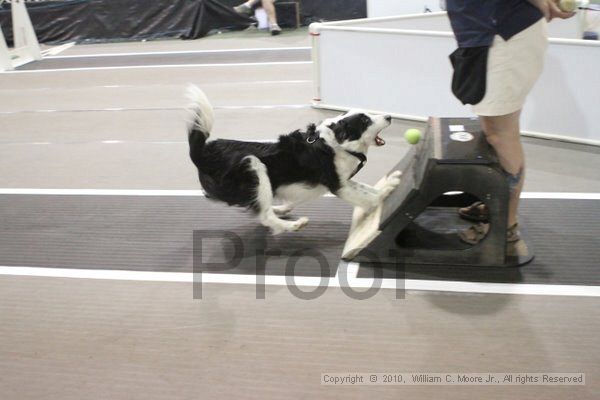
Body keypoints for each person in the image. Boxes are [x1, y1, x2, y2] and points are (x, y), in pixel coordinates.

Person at [445, 0, 574, 244]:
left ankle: (505, 224)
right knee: (494, 130)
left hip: (504, 35)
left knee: (501, 134)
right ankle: (496, 204)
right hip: (491, 34)